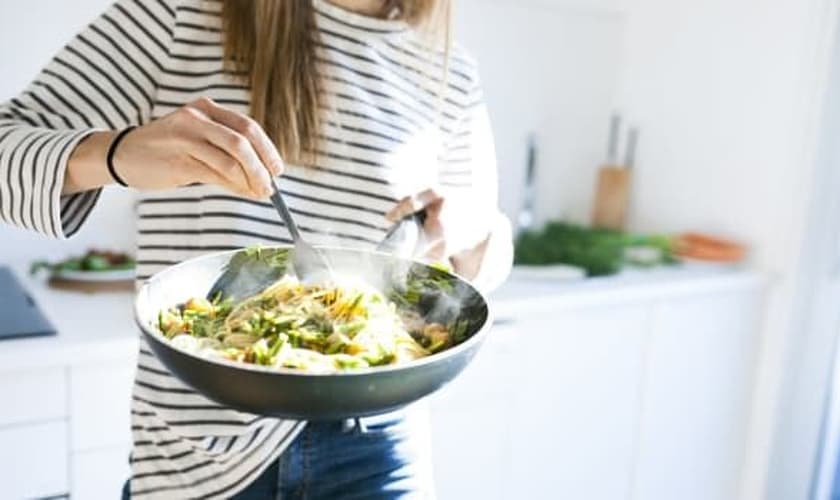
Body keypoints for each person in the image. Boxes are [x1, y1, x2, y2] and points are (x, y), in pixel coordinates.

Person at [0, 0, 512, 497]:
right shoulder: (176, 15)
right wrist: (114, 153)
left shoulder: (451, 72)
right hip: (200, 455)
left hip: (379, 446)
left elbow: (476, 270)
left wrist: (475, 230)